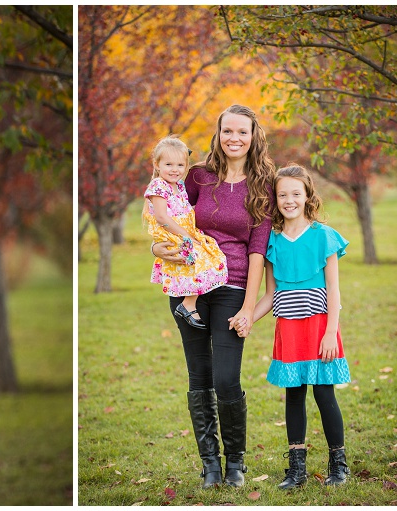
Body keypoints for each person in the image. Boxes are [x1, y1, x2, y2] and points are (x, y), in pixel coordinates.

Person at [151, 104, 275, 488]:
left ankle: (235, 463)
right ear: (218, 134)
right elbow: (166, 213)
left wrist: (249, 308)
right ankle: (211, 466)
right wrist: (157, 249)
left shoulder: (264, 185)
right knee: (199, 375)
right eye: (227, 131)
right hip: (189, 285)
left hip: (233, 285)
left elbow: (257, 249)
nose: (234, 138)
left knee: (226, 378)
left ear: (253, 136)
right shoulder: (199, 176)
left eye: (242, 131)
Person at [244, 164, 350, 489]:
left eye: (295, 193)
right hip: (288, 330)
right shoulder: (273, 242)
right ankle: (297, 470)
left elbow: (333, 290)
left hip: (320, 328)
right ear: (274, 199)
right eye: (282, 194)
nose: (289, 200)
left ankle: (339, 465)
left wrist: (332, 331)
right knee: (294, 396)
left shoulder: (323, 236)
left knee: (323, 394)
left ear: (307, 196)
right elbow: (271, 294)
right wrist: (247, 316)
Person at [143, 135, 228, 329]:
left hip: (185, 230)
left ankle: (190, 302)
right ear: (157, 164)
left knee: (213, 254)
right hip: (172, 232)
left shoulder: (179, 186)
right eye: (169, 164)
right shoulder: (158, 186)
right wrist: (187, 236)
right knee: (198, 257)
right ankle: (188, 303)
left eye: (180, 165)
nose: (175, 170)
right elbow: (162, 218)